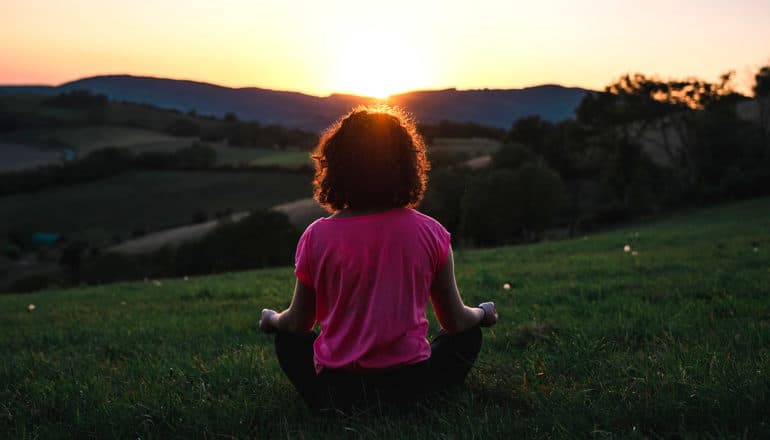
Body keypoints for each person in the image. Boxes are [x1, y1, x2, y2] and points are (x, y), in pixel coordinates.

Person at [259, 105, 498, 413]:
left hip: (336, 390)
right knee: (467, 337)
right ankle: (424, 400)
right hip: (412, 388)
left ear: (336, 167)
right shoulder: (431, 232)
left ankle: (328, 404)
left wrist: (272, 319)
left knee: (287, 340)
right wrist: (482, 313)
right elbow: (455, 322)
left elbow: (297, 323)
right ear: (407, 165)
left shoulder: (316, 236)